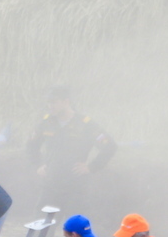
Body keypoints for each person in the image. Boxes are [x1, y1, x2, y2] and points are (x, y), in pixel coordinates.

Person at [27, 86, 116, 214]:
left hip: (75, 186)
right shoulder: (46, 123)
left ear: (66, 102)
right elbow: (30, 145)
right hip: (51, 184)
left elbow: (110, 146)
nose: (50, 105)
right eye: (48, 102)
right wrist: (38, 165)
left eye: (54, 102)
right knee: (41, 225)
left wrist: (91, 167)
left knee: (73, 229)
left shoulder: (85, 124)